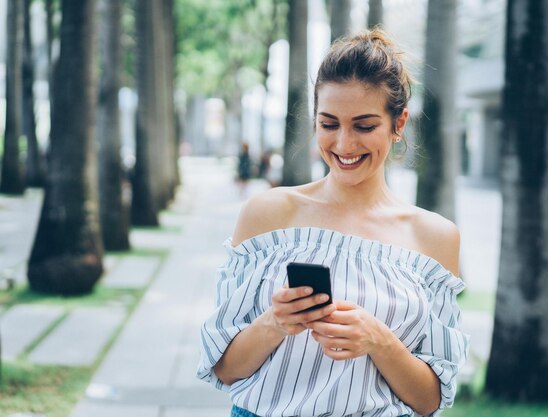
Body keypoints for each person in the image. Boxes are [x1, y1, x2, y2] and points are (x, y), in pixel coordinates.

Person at [197, 28, 469, 417]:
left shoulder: (435, 238)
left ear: (399, 124)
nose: (344, 145)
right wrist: (275, 322)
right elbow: (224, 369)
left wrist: (380, 341)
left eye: (364, 126)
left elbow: (429, 400)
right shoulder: (268, 214)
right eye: (328, 124)